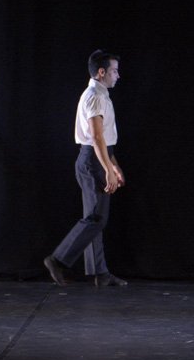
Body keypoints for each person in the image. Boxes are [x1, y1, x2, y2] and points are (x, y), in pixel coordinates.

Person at [43, 50, 129, 288]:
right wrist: (108, 169)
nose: (118, 75)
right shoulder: (94, 96)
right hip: (92, 161)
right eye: (114, 71)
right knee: (96, 218)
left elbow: (106, 139)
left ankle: (100, 272)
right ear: (101, 72)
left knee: (94, 218)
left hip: (98, 158)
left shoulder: (100, 94)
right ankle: (57, 259)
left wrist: (114, 165)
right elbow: (96, 137)